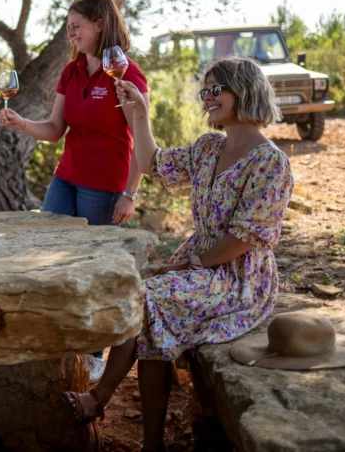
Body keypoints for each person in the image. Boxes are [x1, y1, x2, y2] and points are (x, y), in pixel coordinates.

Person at [61, 56, 293, 452]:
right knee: (153, 312)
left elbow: (244, 238)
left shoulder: (271, 162)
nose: (207, 98)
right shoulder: (208, 147)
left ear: (245, 89)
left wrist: (192, 262)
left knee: (150, 297)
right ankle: (151, 445)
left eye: (215, 89)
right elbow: (152, 162)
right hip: (202, 260)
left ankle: (99, 399)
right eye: (204, 91)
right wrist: (139, 113)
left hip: (238, 276)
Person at [0, 0, 150, 381]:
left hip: (105, 186)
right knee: (47, 251)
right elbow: (55, 129)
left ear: (100, 24)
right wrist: (21, 123)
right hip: (66, 179)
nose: (71, 32)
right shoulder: (71, 71)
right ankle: (57, 335)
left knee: (92, 266)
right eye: (68, 27)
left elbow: (143, 141)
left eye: (76, 25)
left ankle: (93, 354)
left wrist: (130, 193)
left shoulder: (127, 74)